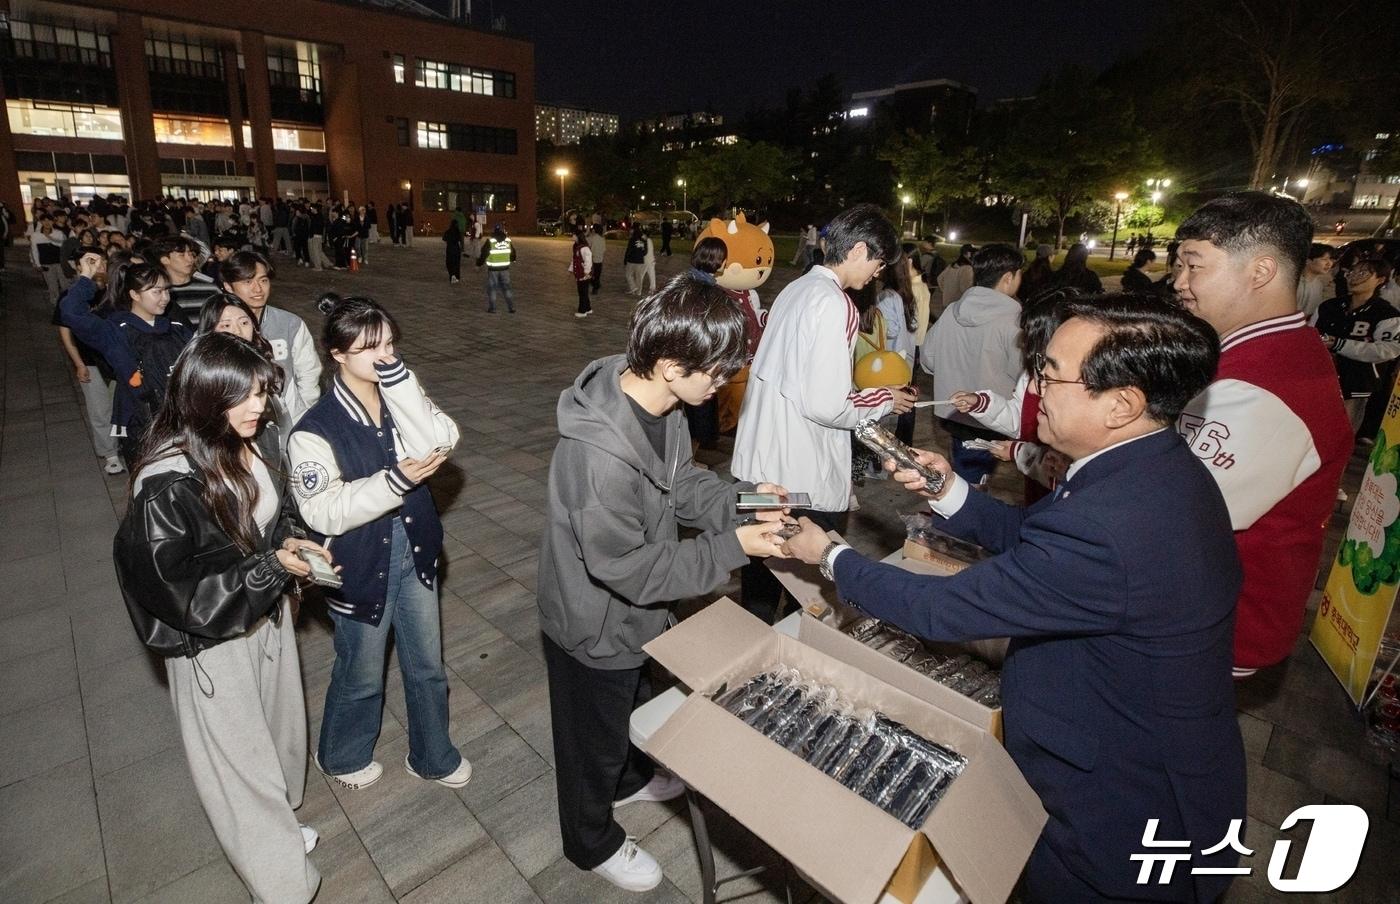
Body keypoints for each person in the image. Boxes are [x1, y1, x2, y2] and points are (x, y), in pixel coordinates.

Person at [784, 294, 1246, 902]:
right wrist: (950, 491)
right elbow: (1038, 543)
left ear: (1122, 403)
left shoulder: (1115, 521)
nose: (1036, 389)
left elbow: (940, 609)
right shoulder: (1145, 468)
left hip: (1117, 806)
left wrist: (828, 554)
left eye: (1051, 373)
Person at [538, 274, 791, 892]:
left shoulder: (663, 406)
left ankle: (627, 781)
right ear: (672, 364)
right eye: (714, 372)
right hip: (593, 622)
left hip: (635, 617)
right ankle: (589, 841)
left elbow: (684, 487)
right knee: (589, 741)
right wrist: (733, 546)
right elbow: (630, 569)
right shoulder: (597, 458)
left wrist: (748, 499)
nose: (720, 384)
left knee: (628, 708)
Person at [112, 333, 328, 904]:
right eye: (246, 395)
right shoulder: (163, 481)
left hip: (264, 618)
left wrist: (293, 547)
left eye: (263, 391)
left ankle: (277, 833)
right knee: (239, 769)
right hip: (211, 647)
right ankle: (283, 886)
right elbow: (173, 591)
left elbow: (265, 520)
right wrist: (267, 570)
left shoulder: (245, 443)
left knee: (276, 742)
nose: (260, 405)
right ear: (206, 397)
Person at [287, 294, 470, 793]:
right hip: (360, 560)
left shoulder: (400, 391)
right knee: (362, 671)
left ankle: (433, 755)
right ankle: (341, 755)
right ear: (337, 355)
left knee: (427, 664)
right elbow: (322, 509)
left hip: (414, 548)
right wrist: (392, 483)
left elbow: (441, 440)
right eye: (370, 347)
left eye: (390, 343)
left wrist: (404, 389)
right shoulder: (313, 429)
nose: (385, 356)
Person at [1174, 192, 1351, 676]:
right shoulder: (1263, 355)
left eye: (1194, 266)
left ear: (1261, 271)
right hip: (1199, 610)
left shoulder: (1272, 383)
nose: (1180, 284)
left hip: (1216, 626)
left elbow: (1168, 510)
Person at [732, 203, 916, 622]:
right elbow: (828, 404)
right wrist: (886, 398)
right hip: (800, 479)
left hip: (760, 467)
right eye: (878, 262)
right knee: (807, 589)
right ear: (859, 251)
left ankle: (752, 651)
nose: (877, 273)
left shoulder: (795, 289)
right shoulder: (836, 304)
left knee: (760, 573)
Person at [60, 258, 193, 467]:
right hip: (143, 428)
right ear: (134, 295)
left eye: (167, 290)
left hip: (185, 425)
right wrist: (86, 277)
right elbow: (71, 312)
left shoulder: (176, 327)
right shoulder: (116, 331)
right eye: (156, 292)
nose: (165, 297)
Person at [922, 243, 1025, 486]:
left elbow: (928, 360)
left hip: (952, 412)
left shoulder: (951, 312)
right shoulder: (1013, 320)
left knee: (961, 474)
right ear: (1008, 277)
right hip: (990, 417)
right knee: (973, 486)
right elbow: (1022, 375)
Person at [220, 251, 322, 424]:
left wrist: (303, 413)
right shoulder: (217, 326)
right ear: (229, 286)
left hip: (287, 421)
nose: (258, 289)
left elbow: (309, 373)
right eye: (247, 282)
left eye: (263, 280)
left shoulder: (291, 324)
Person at [54, 246, 123, 474]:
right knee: (99, 409)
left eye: (102, 262)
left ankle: (122, 444)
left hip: (115, 361)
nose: (99, 267)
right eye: (92, 262)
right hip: (90, 361)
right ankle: (110, 454)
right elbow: (66, 333)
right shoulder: (71, 296)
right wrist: (79, 363)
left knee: (119, 406)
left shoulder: (114, 291)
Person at [1314, 255, 1400, 432]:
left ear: (1380, 280)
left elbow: (1387, 349)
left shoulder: (1386, 314)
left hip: (1356, 382)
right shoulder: (1329, 306)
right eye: (1354, 271)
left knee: (1341, 431)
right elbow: (1310, 333)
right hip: (1318, 377)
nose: (1355, 277)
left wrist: (1339, 345)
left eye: (1365, 273)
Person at [875, 256, 919, 444]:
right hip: (905, 359)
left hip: (891, 362)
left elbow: (890, 330)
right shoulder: (906, 295)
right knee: (904, 407)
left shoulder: (887, 296)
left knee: (887, 413)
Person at [150, 235, 220, 326]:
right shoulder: (157, 294)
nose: (190, 259)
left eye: (191, 254)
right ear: (165, 260)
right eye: (182, 255)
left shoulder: (210, 289)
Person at [477, 224, 517, 313]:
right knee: (507, 288)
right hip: (505, 269)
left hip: (493, 269)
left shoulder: (490, 242)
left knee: (492, 288)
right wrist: (512, 259)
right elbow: (513, 253)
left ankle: (493, 308)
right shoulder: (507, 241)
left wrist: (479, 264)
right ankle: (511, 307)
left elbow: (483, 254)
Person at [1296, 242, 1337, 320]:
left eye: (1331, 259)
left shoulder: (1319, 284)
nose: (1329, 263)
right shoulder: (1295, 284)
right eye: (1324, 259)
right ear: (1308, 261)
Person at [935, 243, 975, 314]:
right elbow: (966, 289)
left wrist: (946, 290)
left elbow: (939, 278)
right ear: (968, 254)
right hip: (958, 305)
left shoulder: (952, 265)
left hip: (947, 302)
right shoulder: (967, 268)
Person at [570, 226, 594, 318]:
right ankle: (588, 308)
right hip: (580, 273)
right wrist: (571, 269)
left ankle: (582, 310)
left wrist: (586, 272)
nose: (572, 236)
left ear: (577, 236)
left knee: (582, 292)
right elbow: (574, 259)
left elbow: (588, 261)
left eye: (573, 235)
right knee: (583, 291)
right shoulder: (576, 246)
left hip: (584, 274)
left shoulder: (584, 248)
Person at [623, 224, 647, 295]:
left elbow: (629, 250)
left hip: (632, 260)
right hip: (640, 260)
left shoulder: (632, 239)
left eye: (631, 229)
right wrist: (641, 255)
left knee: (628, 274)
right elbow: (646, 251)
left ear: (634, 230)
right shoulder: (643, 239)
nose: (630, 230)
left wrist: (625, 259)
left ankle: (633, 287)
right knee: (638, 277)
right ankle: (638, 292)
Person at [441, 219, 463, 285]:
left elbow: (444, 239)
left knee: (449, 262)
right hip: (456, 249)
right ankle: (456, 277)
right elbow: (460, 241)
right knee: (456, 263)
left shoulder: (448, 231)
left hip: (449, 248)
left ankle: (452, 275)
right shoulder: (457, 231)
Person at [587, 223, 607, 295]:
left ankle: (595, 287)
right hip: (600, 258)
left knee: (591, 274)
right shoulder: (602, 238)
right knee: (597, 274)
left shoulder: (593, 237)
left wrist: (588, 232)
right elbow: (604, 249)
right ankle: (597, 284)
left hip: (593, 258)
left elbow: (586, 241)